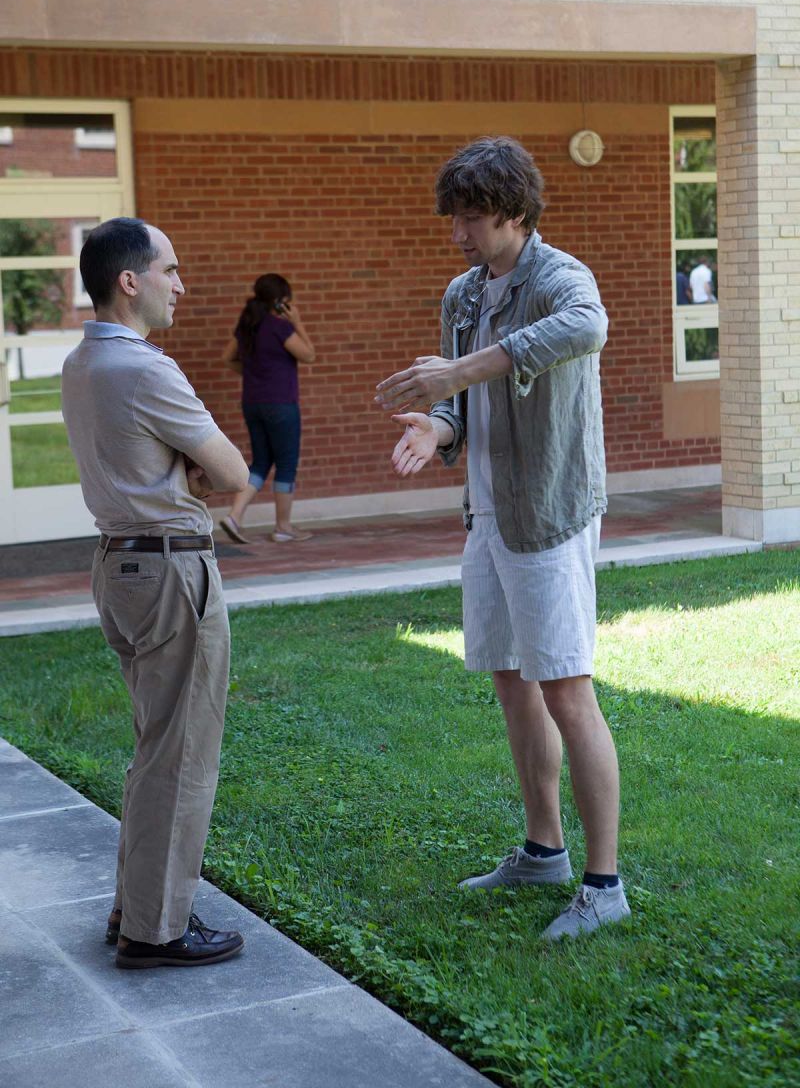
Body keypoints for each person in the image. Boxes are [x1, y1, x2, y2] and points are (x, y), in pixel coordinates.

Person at [375, 137, 630, 941]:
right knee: (513, 682)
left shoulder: (560, 278)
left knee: (567, 691)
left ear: (515, 212)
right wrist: (436, 427)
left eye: (474, 219)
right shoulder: (462, 294)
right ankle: (544, 851)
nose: (459, 235)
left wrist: (460, 373)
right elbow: (458, 404)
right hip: (486, 514)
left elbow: (588, 327)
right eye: (454, 219)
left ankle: (605, 884)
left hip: (549, 511)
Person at [61, 217, 250, 970]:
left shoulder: (81, 362)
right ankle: (156, 930)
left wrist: (179, 467)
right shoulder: (145, 370)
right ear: (129, 281)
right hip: (170, 569)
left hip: (120, 566)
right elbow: (232, 472)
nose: (182, 285)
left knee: (155, 749)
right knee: (182, 754)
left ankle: (134, 909)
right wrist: (192, 471)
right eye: (170, 269)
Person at [220, 273, 315, 543]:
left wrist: (254, 375)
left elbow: (228, 358)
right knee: (286, 464)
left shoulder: (248, 324)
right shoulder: (280, 327)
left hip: (252, 403)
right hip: (281, 404)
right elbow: (309, 354)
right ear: (280, 301)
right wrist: (297, 323)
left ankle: (234, 516)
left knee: (261, 461)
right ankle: (283, 527)